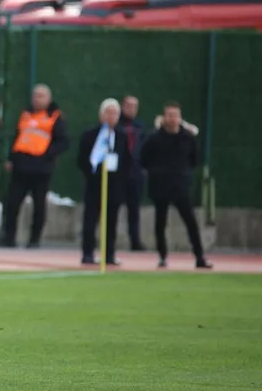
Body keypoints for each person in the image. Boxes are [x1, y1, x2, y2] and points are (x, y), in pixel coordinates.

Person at [141, 103, 212, 269]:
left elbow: (195, 159)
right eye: (169, 115)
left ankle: (199, 257)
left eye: (175, 115)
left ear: (180, 118)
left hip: (181, 186)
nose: (172, 119)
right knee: (160, 222)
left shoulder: (188, 138)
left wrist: (183, 174)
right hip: (160, 186)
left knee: (190, 222)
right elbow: (144, 158)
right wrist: (156, 172)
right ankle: (162, 256)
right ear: (164, 117)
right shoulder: (154, 138)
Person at [3, 84, 69, 248]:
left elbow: (63, 142)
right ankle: (8, 238)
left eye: (41, 96)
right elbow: (18, 137)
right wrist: (11, 158)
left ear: (48, 99)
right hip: (21, 166)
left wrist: (47, 155)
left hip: (41, 168)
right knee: (12, 202)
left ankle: (34, 239)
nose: (37, 99)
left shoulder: (55, 117)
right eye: (35, 95)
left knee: (39, 205)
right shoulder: (25, 115)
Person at [78, 99, 133, 266]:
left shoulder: (121, 136)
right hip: (94, 184)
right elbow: (82, 159)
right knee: (90, 219)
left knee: (111, 221)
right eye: (108, 112)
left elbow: (127, 160)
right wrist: (91, 172)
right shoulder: (90, 135)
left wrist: (120, 179)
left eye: (114, 113)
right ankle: (87, 253)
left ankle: (109, 254)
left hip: (114, 185)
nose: (111, 116)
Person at [117, 95, 146, 251]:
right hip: (118, 173)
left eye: (134, 106)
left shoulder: (140, 127)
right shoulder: (116, 125)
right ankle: (105, 239)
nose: (131, 109)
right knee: (110, 206)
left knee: (134, 208)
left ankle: (135, 241)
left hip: (135, 173)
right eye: (128, 106)